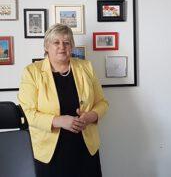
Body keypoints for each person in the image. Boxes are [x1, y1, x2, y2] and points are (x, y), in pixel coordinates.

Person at [18, 23, 109, 177]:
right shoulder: (31, 72)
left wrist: (90, 116)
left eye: (66, 43)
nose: (62, 47)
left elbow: (102, 103)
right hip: (50, 151)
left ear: (72, 46)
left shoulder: (86, 67)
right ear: (47, 46)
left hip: (85, 147)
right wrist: (59, 121)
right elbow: (28, 113)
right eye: (56, 42)